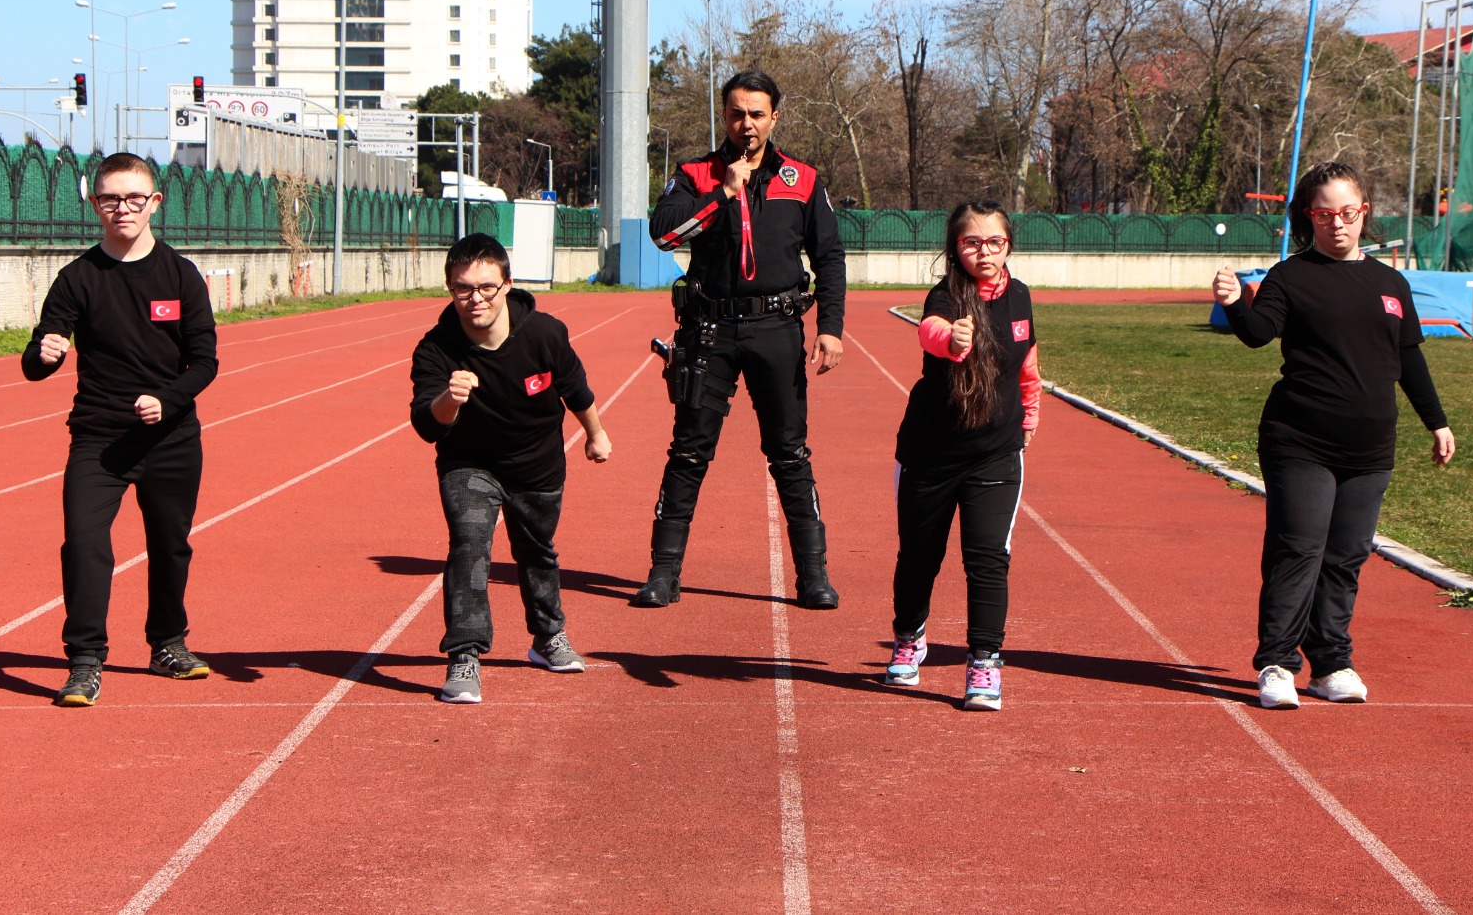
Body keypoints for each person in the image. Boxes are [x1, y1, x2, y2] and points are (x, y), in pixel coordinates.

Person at [1213, 161, 1455, 709]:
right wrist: (1233, 302)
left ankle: (1332, 663)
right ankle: (1277, 662)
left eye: (1348, 212)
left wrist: (1436, 422)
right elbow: (1257, 335)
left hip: (1371, 448)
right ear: (1309, 217)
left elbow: (1408, 359)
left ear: (1364, 213)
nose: (1337, 224)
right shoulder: (1290, 277)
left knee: (1345, 557)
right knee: (1298, 549)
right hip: (1300, 440)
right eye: (1325, 214)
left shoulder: (1390, 284)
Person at [639, 69, 847, 610]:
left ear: (774, 116)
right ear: (723, 116)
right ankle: (663, 573)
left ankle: (813, 575)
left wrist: (830, 328)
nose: (746, 123)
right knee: (689, 450)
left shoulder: (802, 179)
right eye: (736, 113)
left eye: (757, 113)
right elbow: (663, 235)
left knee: (789, 452)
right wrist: (722, 194)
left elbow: (829, 257)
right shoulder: (694, 174)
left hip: (777, 329)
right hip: (710, 330)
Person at [22, 152, 219, 707]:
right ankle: (84, 661)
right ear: (95, 204)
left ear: (155, 202)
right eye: (111, 199)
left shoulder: (180, 275)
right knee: (85, 544)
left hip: (171, 438)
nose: (123, 209)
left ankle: (168, 644)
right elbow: (34, 363)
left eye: (135, 199)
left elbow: (205, 360)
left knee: (170, 546)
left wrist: (168, 399)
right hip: (99, 438)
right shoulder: (77, 278)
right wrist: (47, 352)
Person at [409, 234, 612, 704]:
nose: (475, 299)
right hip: (469, 462)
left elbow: (575, 389)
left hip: (537, 462)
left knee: (537, 551)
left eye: (486, 287)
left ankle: (547, 637)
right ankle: (464, 655)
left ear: (507, 284)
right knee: (469, 546)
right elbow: (425, 424)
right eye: (463, 289)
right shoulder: (436, 349)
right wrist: (448, 399)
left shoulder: (544, 332)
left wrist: (596, 434)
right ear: (449, 288)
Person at [887, 200, 1041, 711]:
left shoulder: (1020, 297)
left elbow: (1028, 364)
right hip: (931, 452)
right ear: (956, 248)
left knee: (988, 559)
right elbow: (928, 330)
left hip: (995, 453)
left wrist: (1031, 412)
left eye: (994, 242)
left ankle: (985, 662)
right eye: (972, 242)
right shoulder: (946, 295)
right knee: (919, 557)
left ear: (1008, 245)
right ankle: (909, 637)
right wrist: (952, 340)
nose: (985, 252)